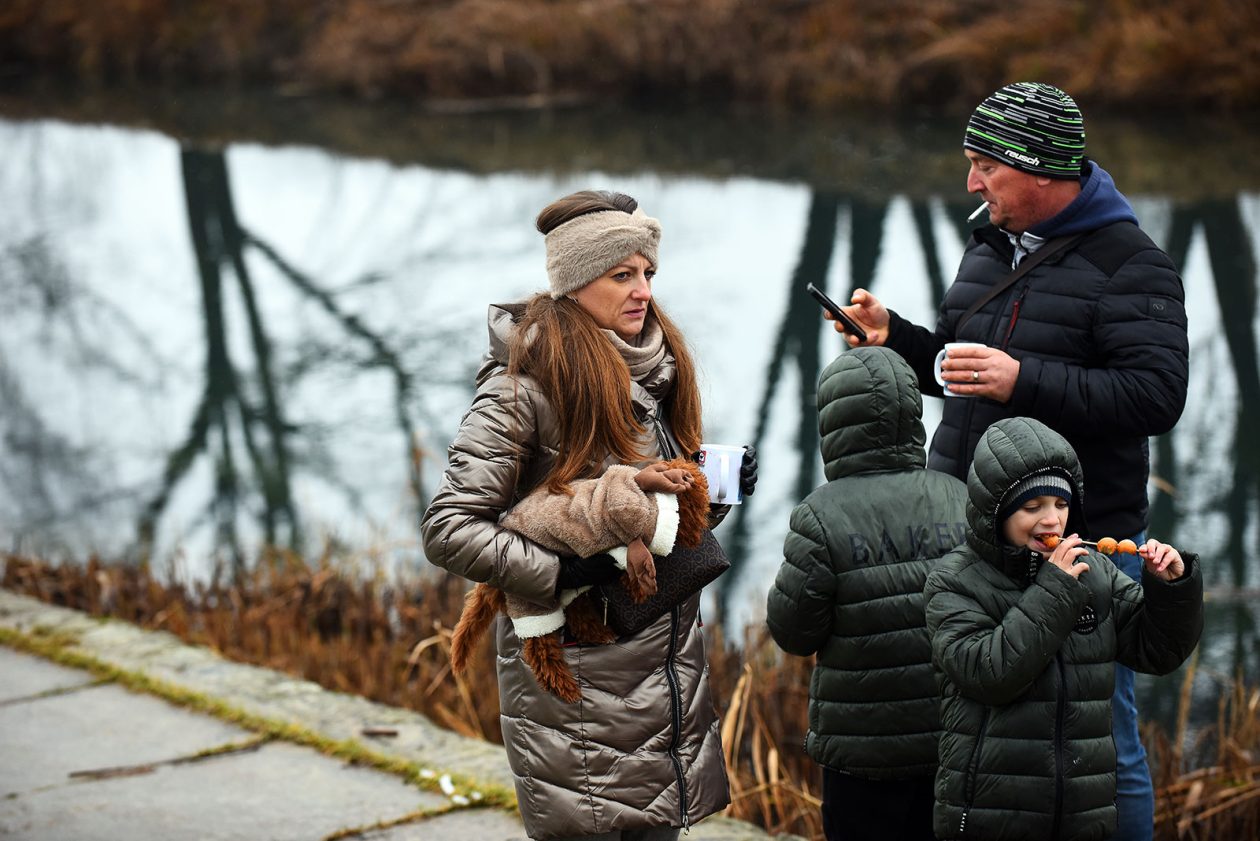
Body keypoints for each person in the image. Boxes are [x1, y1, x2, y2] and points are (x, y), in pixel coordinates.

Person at [831, 82, 1189, 840]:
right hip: (971, 540)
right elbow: (964, 373)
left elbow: (1155, 396)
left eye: (984, 165)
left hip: (1080, 543)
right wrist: (895, 337)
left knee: (1103, 742)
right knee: (972, 734)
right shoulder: (991, 241)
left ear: (1038, 169)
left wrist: (1021, 378)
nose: (971, 182)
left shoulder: (1135, 264)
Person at [421, 189, 755, 841]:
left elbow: (644, 520)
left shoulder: (657, 374)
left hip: (661, 674)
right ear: (575, 281)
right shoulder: (523, 388)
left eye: (649, 273)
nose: (643, 291)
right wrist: (557, 566)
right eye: (622, 275)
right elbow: (448, 527)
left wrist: (709, 496)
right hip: (579, 683)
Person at [923, 416, 1202, 841]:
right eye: (1032, 508)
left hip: (1082, 813)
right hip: (990, 814)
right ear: (993, 512)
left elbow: (1158, 651)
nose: (1052, 520)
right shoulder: (955, 582)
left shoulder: (1097, 572)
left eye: (1061, 504)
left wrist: (1172, 589)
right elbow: (988, 674)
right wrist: (1054, 588)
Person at [765, 346, 969, 841]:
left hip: (861, 751)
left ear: (834, 426)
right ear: (913, 417)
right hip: (952, 739)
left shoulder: (820, 515)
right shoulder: (957, 495)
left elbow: (794, 631)